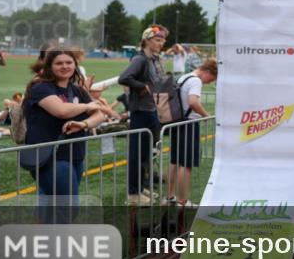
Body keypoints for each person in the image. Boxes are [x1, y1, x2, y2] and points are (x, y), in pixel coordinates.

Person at [19, 47, 106, 205]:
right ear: (49, 66)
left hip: (76, 155)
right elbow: (61, 111)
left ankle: (42, 229)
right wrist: (87, 107)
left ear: (75, 65)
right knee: (68, 208)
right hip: (51, 157)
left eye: (69, 62)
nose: (65, 66)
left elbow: (100, 115)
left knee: (52, 205)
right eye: (59, 63)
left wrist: (83, 124)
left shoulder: (78, 90)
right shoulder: (40, 87)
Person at [118, 25, 168, 206]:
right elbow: (124, 78)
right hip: (140, 112)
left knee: (147, 154)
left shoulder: (154, 59)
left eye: (163, 40)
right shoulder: (140, 59)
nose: (161, 43)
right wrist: (142, 87)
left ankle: (140, 187)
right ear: (146, 40)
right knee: (137, 154)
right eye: (157, 39)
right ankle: (133, 193)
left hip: (151, 110)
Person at [165, 58, 217, 206]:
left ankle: (169, 197)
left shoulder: (183, 77)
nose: (211, 82)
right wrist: (206, 115)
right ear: (207, 72)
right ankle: (183, 201)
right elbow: (193, 102)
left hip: (177, 122)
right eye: (212, 78)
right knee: (186, 165)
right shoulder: (196, 81)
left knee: (174, 161)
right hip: (188, 124)